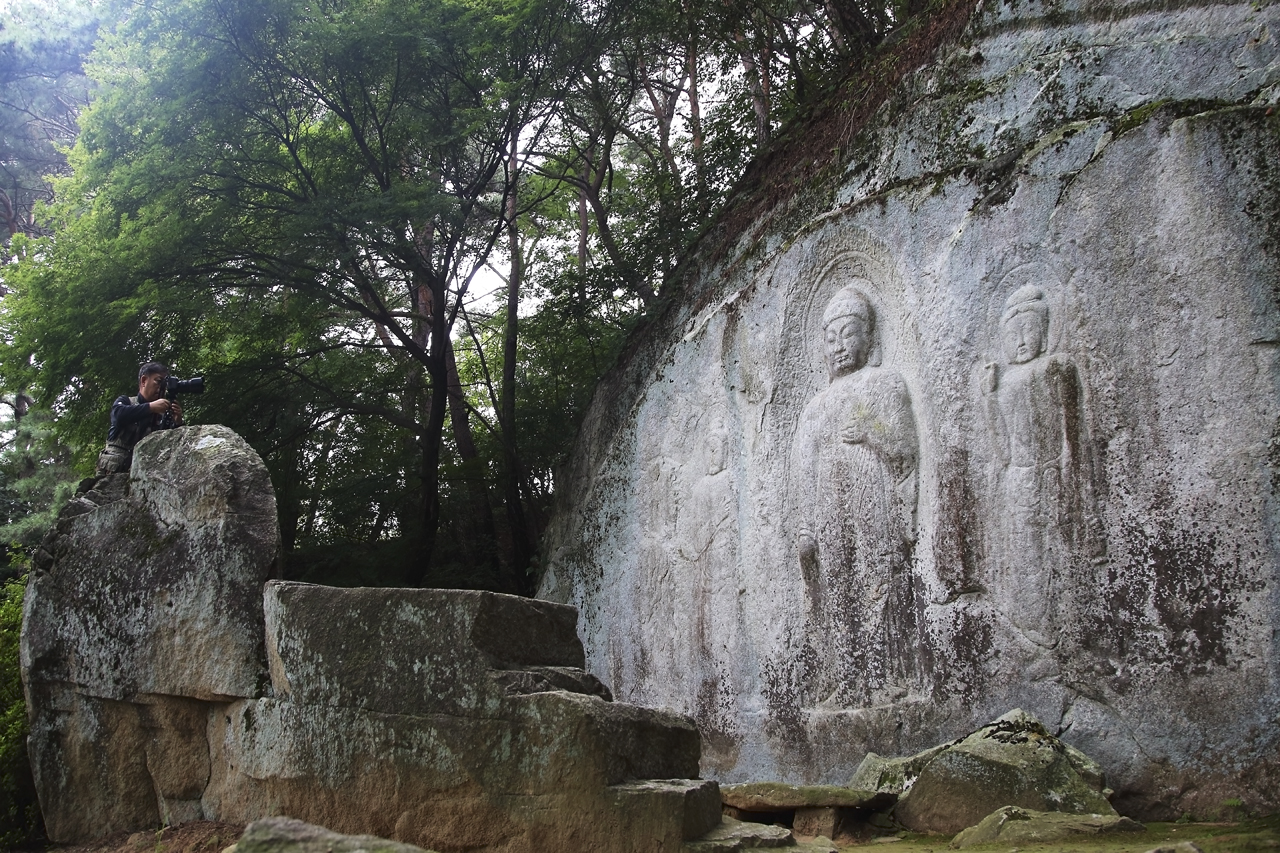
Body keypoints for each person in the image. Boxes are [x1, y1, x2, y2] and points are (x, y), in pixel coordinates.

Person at [788, 285, 919, 708]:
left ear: (869, 337)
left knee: (878, 573)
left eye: (848, 334)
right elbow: (804, 470)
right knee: (838, 584)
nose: (840, 346)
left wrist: (870, 433)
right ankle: (848, 677)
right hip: (828, 503)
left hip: (873, 492)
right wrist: (806, 526)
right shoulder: (816, 407)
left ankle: (882, 674)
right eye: (831, 338)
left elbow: (906, 448)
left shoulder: (884, 384)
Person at [95, 362, 184, 477]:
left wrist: (178, 422)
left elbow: (171, 446)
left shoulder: (163, 416)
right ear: (144, 381)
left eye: (165, 384)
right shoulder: (126, 402)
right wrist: (150, 407)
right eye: (158, 381)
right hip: (111, 475)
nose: (162, 387)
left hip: (142, 476)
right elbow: (118, 416)